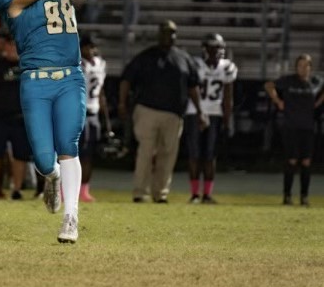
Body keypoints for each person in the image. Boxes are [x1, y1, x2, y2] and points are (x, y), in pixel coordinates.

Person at [0, 0, 104, 243]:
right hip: (36, 80)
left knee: (69, 145)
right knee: (42, 159)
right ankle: (50, 178)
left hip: (70, 76)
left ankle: (71, 218)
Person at [118, 20, 206, 203]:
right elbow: (126, 79)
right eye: (165, 33)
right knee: (146, 152)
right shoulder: (145, 56)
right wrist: (122, 103)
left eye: (172, 33)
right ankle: (140, 192)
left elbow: (193, 86)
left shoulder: (184, 58)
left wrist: (200, 110)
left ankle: (161, 193)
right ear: (159, 34)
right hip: (147, 110)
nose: (169, 36)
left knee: (168, 154)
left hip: (174, 114)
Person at [264, 54, 324, 206]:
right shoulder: (289, 81)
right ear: (296, 67)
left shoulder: (315, 82)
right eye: (300, 66)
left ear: (311, 67)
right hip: (291, 126)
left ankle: (304, 197)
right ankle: (287, 196)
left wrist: (317, 103)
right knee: (292, 161)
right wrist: (278, 101)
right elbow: (269, 85)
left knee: (306, 162)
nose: (303, 69)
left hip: (308, 127)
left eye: (306, 66)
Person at [185, 33, 237, 204]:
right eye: (213, 47)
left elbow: (228, 97)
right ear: (205, 49)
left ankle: (206, 194)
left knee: (209, 156)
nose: (217, 51)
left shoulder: (226, 67)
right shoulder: (195, 65)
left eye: (219, 47)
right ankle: (194, 194)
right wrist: (200, 111)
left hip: (215, 113)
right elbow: (189, 89)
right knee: (194, 155)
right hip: (194, 112)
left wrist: (227, 119)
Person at [0, 30, 31, 200]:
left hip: (21, 115)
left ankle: (17, 189)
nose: (12, 48)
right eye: (10, 45)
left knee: (20, 154)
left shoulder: (29, 65)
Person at [79, 35, 108, 202]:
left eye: (93, 47)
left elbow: (101, 91)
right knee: (72, 153)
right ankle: (63, 189)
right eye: (88, 47)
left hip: (93, 112)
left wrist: (105, 117)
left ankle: (84, 190)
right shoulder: (77, 64)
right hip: (78, 112)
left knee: (89, 154)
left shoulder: (100, 64)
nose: (91, 50)